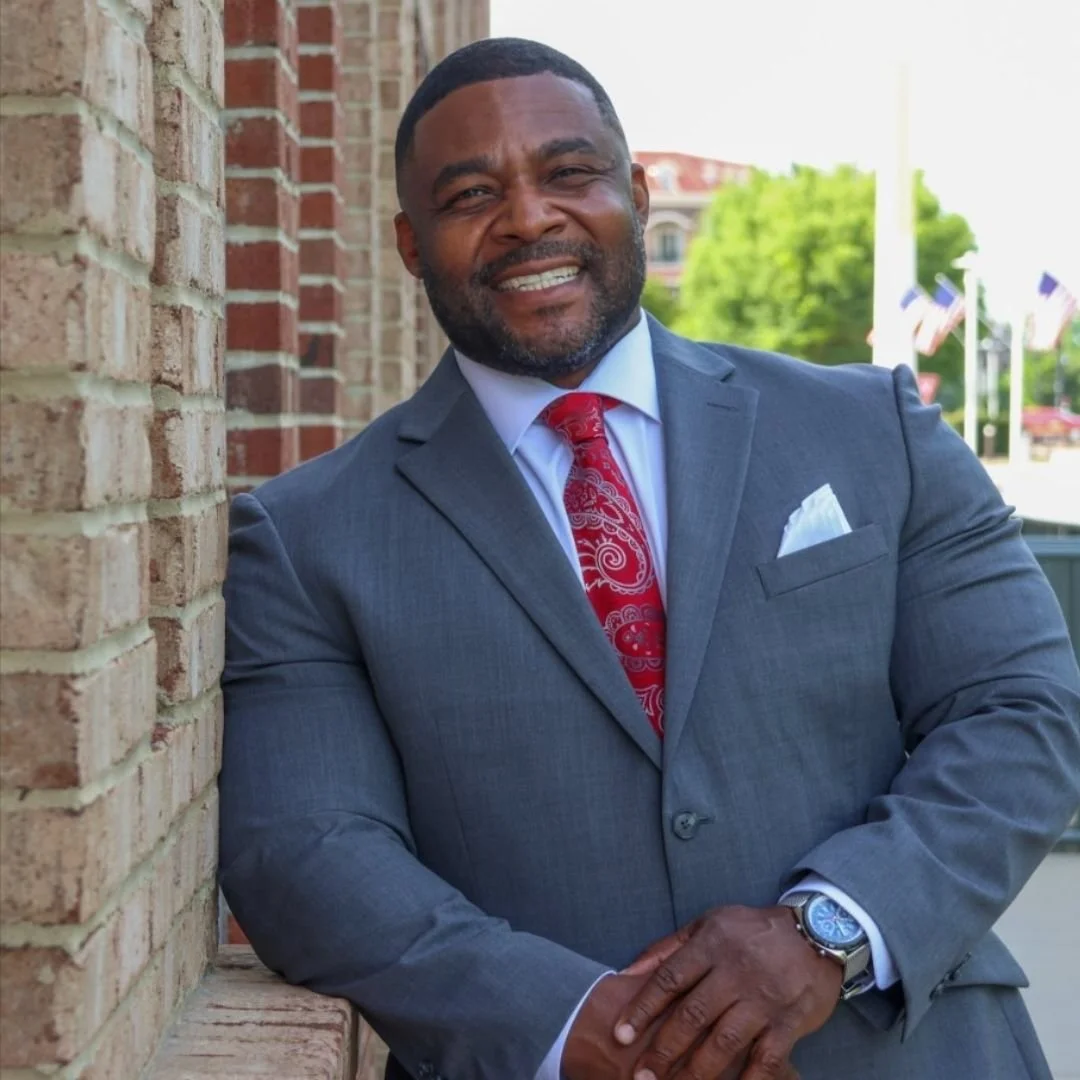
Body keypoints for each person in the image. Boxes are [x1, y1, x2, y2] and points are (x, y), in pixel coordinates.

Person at [219, 37, 1080, 1080]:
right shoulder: (307, 537)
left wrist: (830, 932)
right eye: (472, 194)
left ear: (634, 193)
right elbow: (306, 851)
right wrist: (575, 1024)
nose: (528, 217)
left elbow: (1023, 709)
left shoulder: (874, 430)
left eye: (569, 172)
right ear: (410, 243)